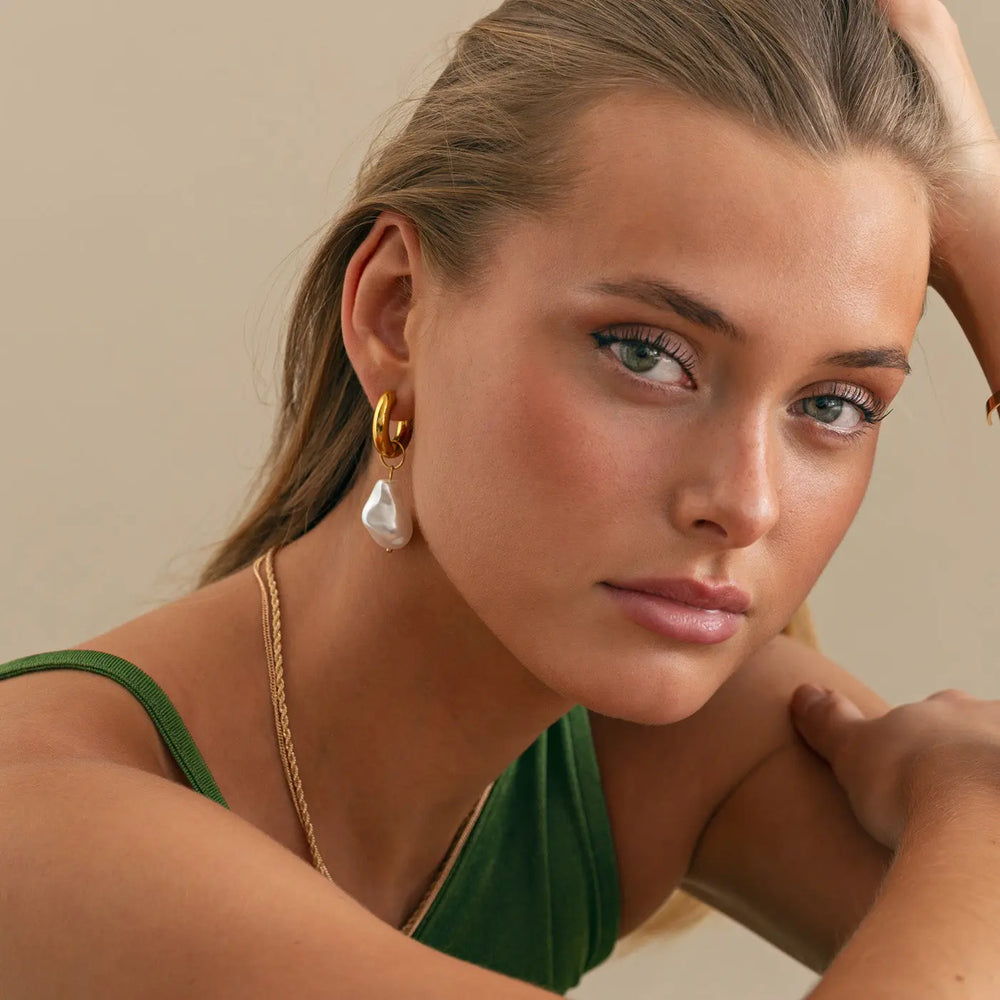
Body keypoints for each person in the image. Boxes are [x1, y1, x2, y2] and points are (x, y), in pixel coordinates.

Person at [2, 0, 999, 996]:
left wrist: (982, 210)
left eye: (833, 403)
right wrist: (978, 813)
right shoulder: (39, 816)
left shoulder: (670, 737)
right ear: (396, 311)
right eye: (646, 355)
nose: (745, 503)